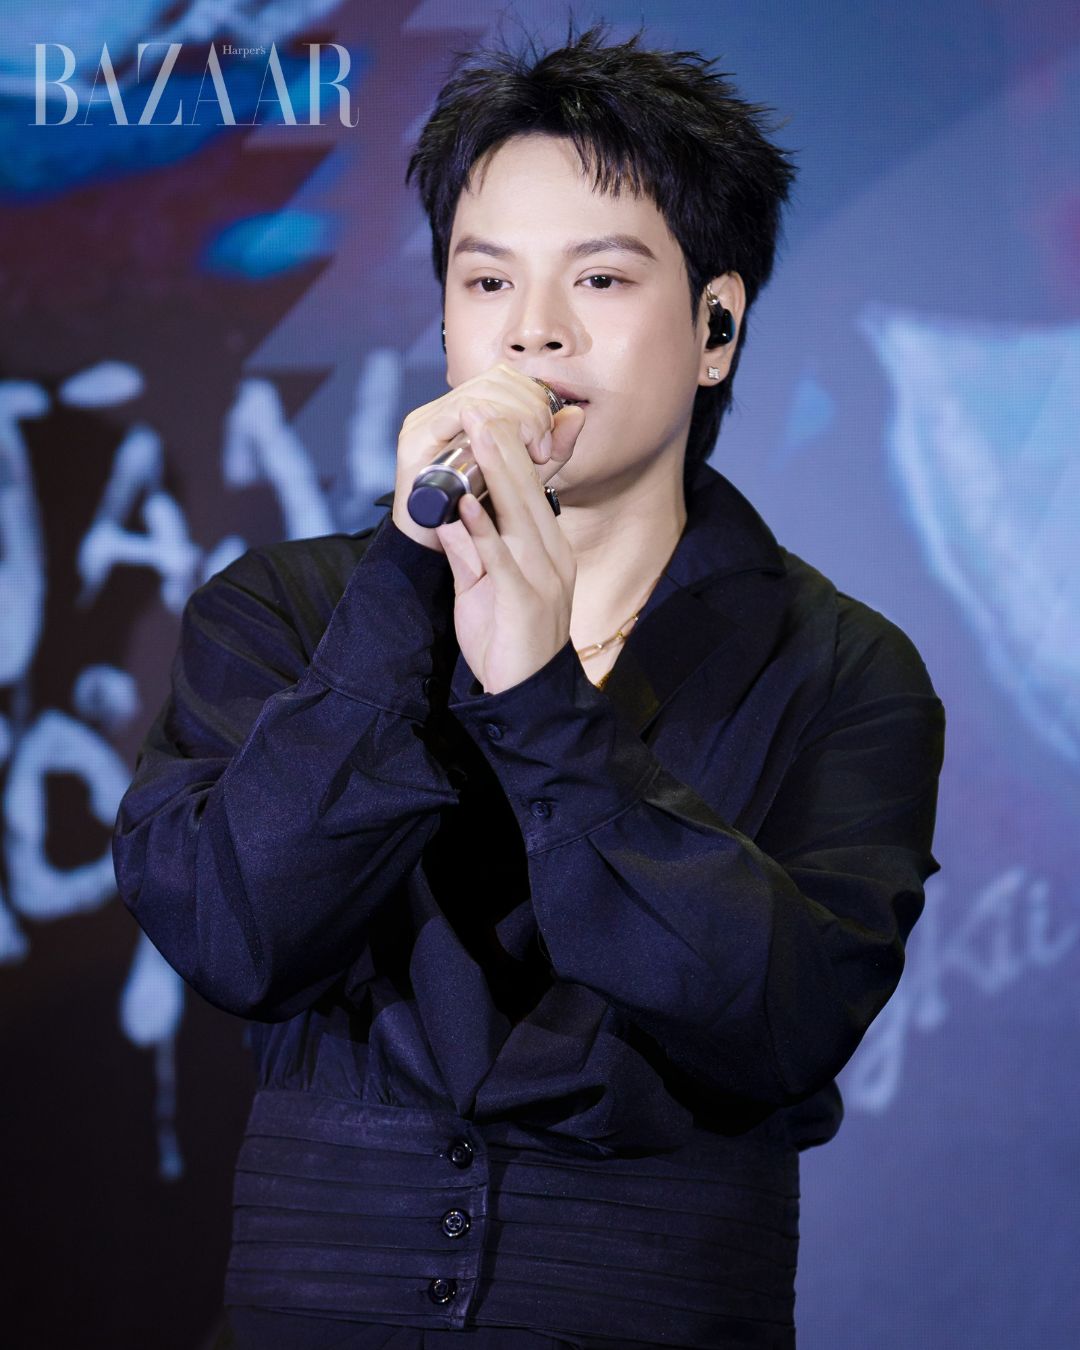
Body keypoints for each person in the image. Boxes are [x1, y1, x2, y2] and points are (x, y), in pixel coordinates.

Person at [113, 21, 946, 1350]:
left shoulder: (845, 670)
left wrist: (544, 692)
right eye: (487, 280)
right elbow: (237, 934)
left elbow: (778, 1021)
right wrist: (406, 585)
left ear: (717, 326)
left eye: (600, 280)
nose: (533, 334)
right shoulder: (286, 612)